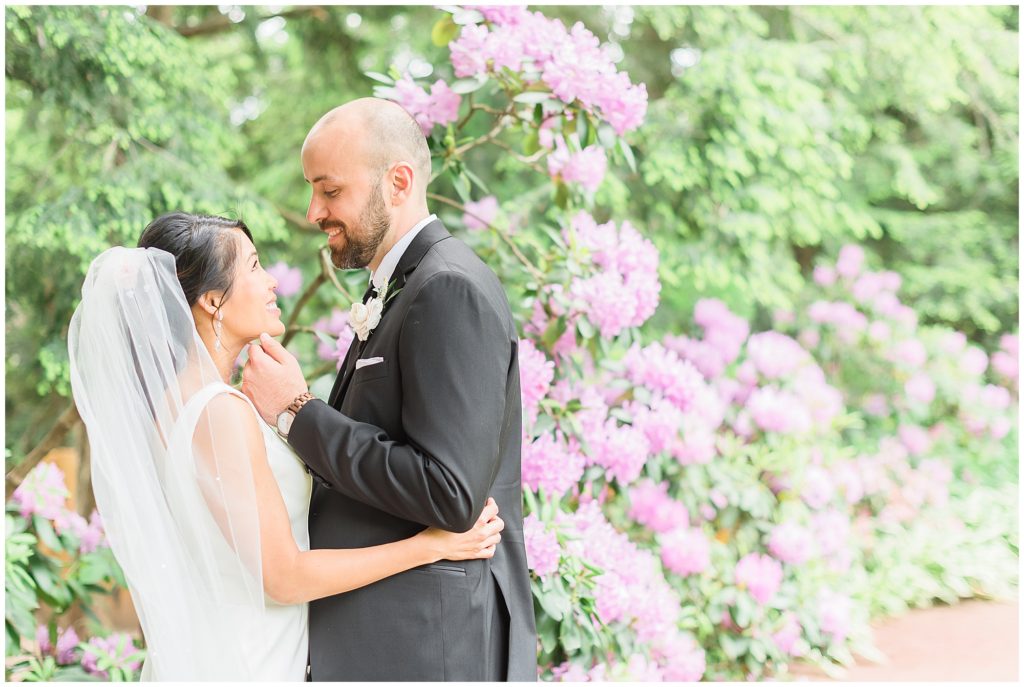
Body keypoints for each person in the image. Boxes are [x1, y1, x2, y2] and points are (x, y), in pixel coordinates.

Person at [67, 212, 505, 681]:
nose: (272, 280)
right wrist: (429, 546)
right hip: (250, 661)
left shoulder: (175, 409)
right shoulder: (219, 414)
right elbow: (285, 576)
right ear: (213, 301)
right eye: (254, 266)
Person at [242, 98, 537, 681]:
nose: (312, 211)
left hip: (430, 646)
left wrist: (298, 413)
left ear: (397, 183)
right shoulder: (401, 290)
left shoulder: (448, 288)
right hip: (388, 641)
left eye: (330, 191)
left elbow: (450, 493)